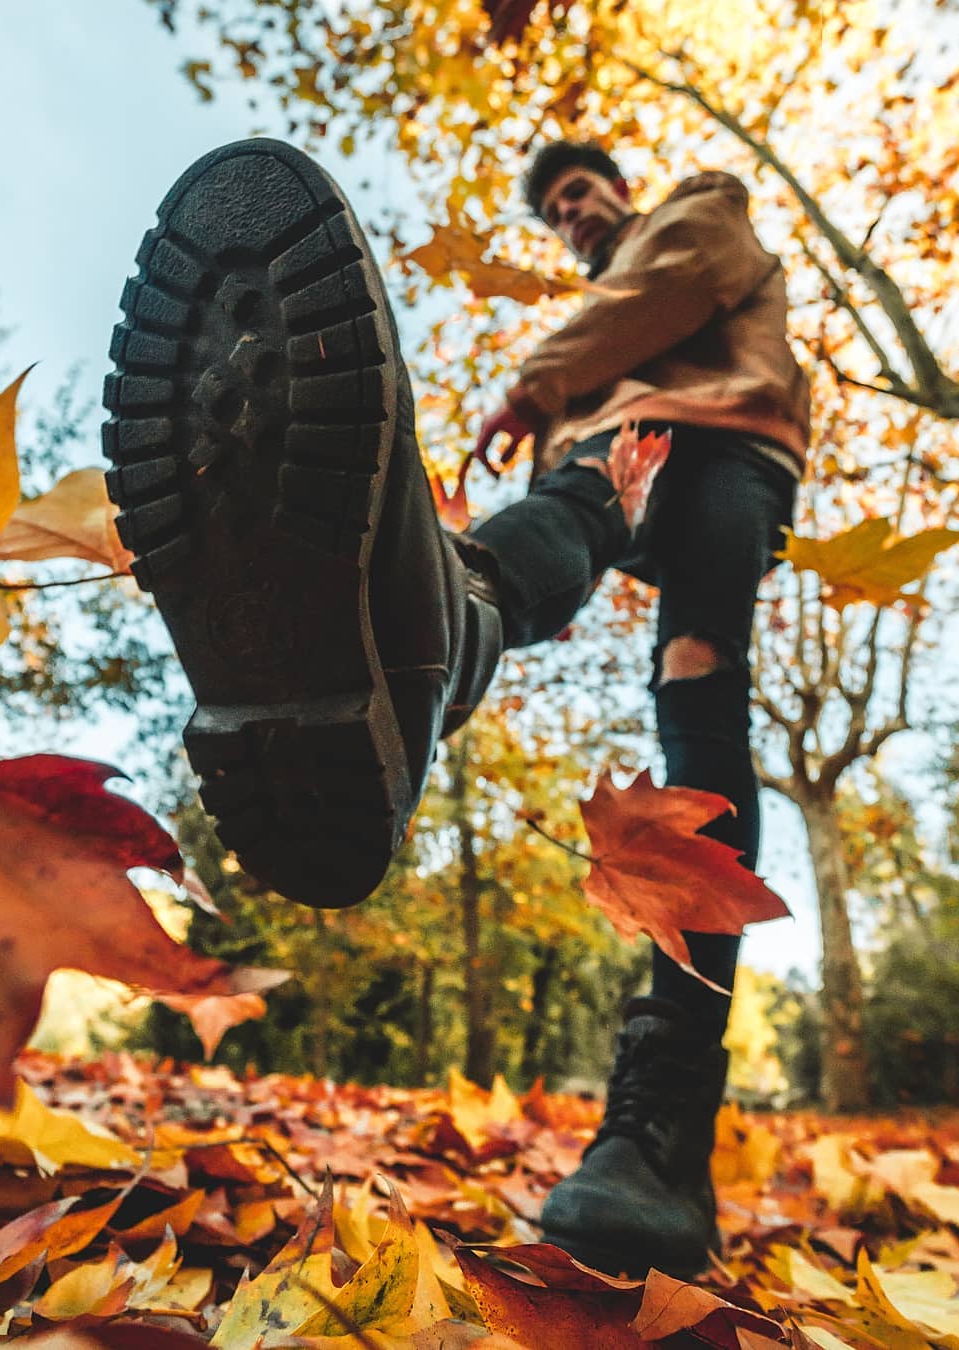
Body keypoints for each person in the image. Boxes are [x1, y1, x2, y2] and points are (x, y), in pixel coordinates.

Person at [104, 137, 809, 1280]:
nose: (573, 216)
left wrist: (537, 384)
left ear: (619, 192)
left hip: (727, 447)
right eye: (558, 208)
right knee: (560, 525)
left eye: (581, 196)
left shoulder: (697, 209)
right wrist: (561, 413)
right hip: (610, 456)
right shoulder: (598, 353)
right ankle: (442, 622)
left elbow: (677, 281)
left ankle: (663, 1129)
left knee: (698, 696)